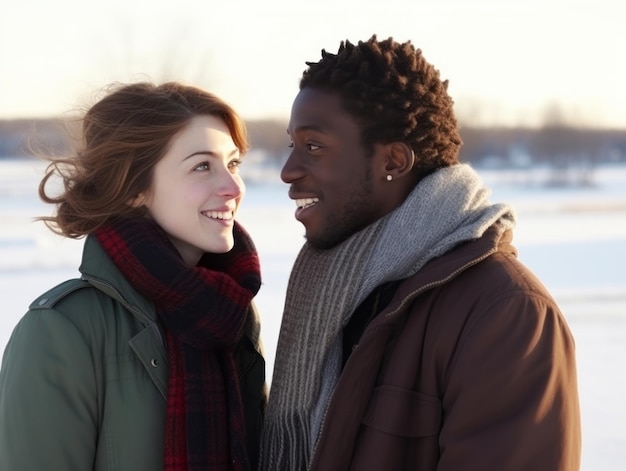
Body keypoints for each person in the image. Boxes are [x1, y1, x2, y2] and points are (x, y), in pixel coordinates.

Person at [260, 35, 581, 470]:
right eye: (292, 145)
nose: (288, 170)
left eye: (313, 146)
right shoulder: (334, 295)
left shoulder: (505, 312)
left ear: (393, 161)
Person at [0, 82, 265, 471]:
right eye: (202, 166)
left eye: (232, 163)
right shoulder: (62, 329)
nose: (232, 187)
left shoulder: (233, 314)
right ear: (134, 189)